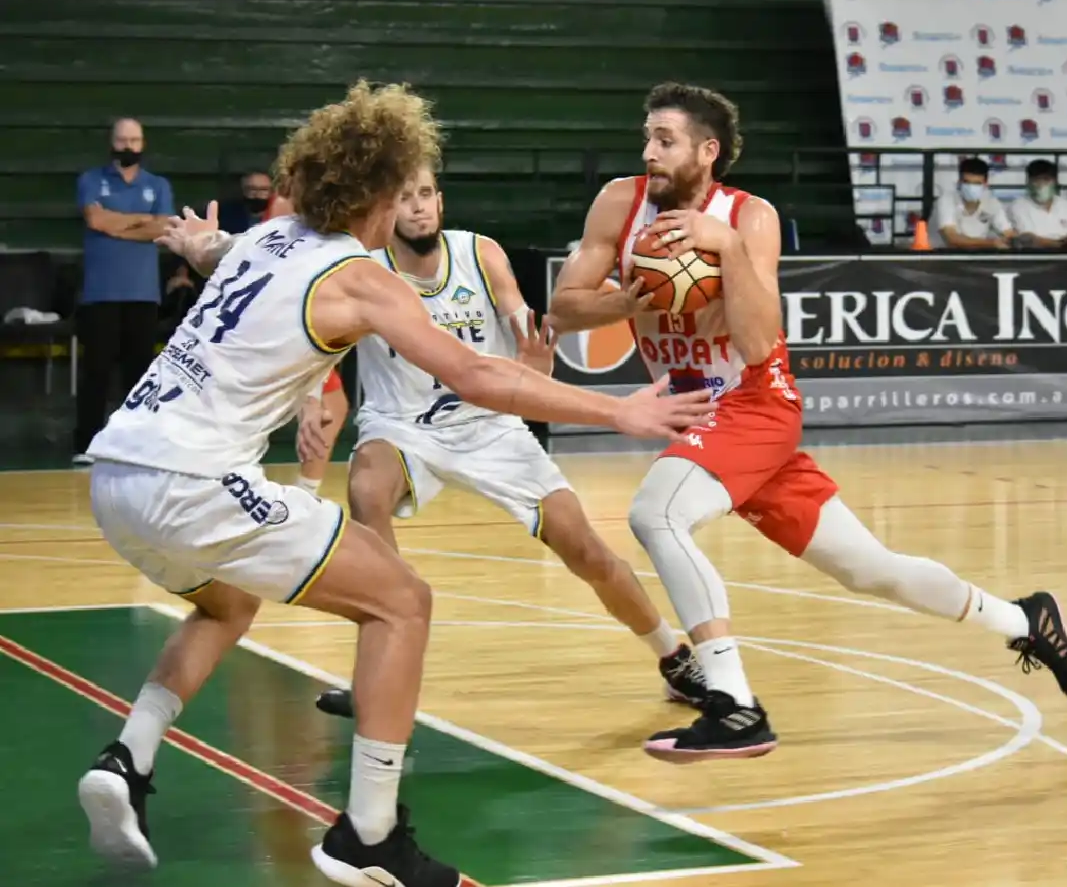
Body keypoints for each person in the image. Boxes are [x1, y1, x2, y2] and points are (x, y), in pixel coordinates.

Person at [76, 80, 715, 887]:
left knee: (227, 601)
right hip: (191, 482)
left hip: (117, 473)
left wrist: (196, 243)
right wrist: (616, 412)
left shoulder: (267, 240)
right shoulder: (358, 275)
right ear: (380, 193)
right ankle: (371, 835)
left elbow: (212, 255)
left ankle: (126, 759)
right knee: (402, 602)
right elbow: (478, 373)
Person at [547, 81, 1067, 764]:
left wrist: (725, 252)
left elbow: (755, 341)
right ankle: (1026, 619)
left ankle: (734, 705)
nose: (649, 152)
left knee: (657, 516)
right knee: (870, 570)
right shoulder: (620, 203)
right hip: (695, 415)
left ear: (707, 152)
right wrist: (634, 299)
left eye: (666, 141)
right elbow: (564, 310)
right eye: (648, 138)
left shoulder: (750, 217)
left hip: (754, 400)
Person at [279, 164, 705, 720]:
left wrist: (534, 352)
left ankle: (672, 656)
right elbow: (323, 345)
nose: (418, 207)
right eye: (405, 197)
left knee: (587, 551)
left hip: (491, 423)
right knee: (366, 488)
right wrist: (312, 399)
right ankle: (376, 677)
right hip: (403, 425)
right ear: (387, 208)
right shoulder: (365, 270)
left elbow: (523, 324)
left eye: (427, 194)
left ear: (442, 201)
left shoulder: (479, 253)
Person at [74, 117, 175, 466]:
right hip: (100, 292)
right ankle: (86, 444)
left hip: (143, 292)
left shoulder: (157, 184)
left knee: (140, 374)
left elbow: (162, 228)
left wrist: (118, 224)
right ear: (112, 142)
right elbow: (95, 221)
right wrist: (141, 220)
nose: (129, 146)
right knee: (97, 372)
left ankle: (137, 446)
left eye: (135, 140)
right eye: (122, 140)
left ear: (143, 144)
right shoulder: (91, 179)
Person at [259, 191, 349, 496]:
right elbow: (280, 261)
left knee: (332, 403)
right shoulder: (292, 201)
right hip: (280, 313)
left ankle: (306, 494)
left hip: (301, 309)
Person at [932, 156, 1015, 249]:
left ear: (985, 184)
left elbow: (1008, 233)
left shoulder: (992, 202)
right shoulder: (946, 200)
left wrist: (1014, 240)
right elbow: (952, 239)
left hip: (976, 258)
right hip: (940, 257)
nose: (971, 187)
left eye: (977, 184)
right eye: (966, 182)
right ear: (959, 182)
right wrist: (991, 243)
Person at [1007, 159, 1067, 249]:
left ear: (1055, 182)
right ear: (1028, 182)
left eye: (1046, 179)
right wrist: (1061, 244)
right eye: (1036, 180)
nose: (1041, 184)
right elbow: (1028, 240)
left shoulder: (1066, 206)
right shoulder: (1017, 207)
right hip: (1033, 258)